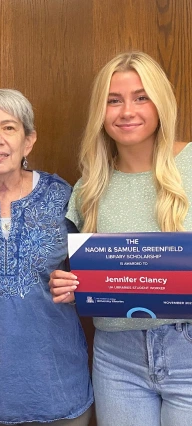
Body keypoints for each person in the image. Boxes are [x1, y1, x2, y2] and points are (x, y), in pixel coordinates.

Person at [49, 51, 192, 425]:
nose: (127, 111)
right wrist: (70, 285)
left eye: (140, 97)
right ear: (101, 111)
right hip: (116, 357)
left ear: (161, 103)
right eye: (114, 100)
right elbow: (90, 277)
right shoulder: (87, 189)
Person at [0, 89, 93, 426]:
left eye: (9, 128)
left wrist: (79, 288)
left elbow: (101, 275)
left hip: (57, 393)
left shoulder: (64, 197)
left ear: (29, 141)